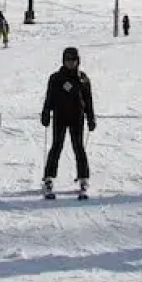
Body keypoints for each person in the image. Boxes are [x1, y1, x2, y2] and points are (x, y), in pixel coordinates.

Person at [41, 46, 95, 199]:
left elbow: (88, 100)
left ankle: (83, 177)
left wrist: (90, 117)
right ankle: (49, 177)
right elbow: (49, 97)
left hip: (77, 117)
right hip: (60, 115)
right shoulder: (56, 78)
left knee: (78, 147)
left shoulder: (83, 79)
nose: (70, 63)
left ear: (78, 61)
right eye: (68, 60)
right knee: (57, 145)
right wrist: (46, 112)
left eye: (73, 60)